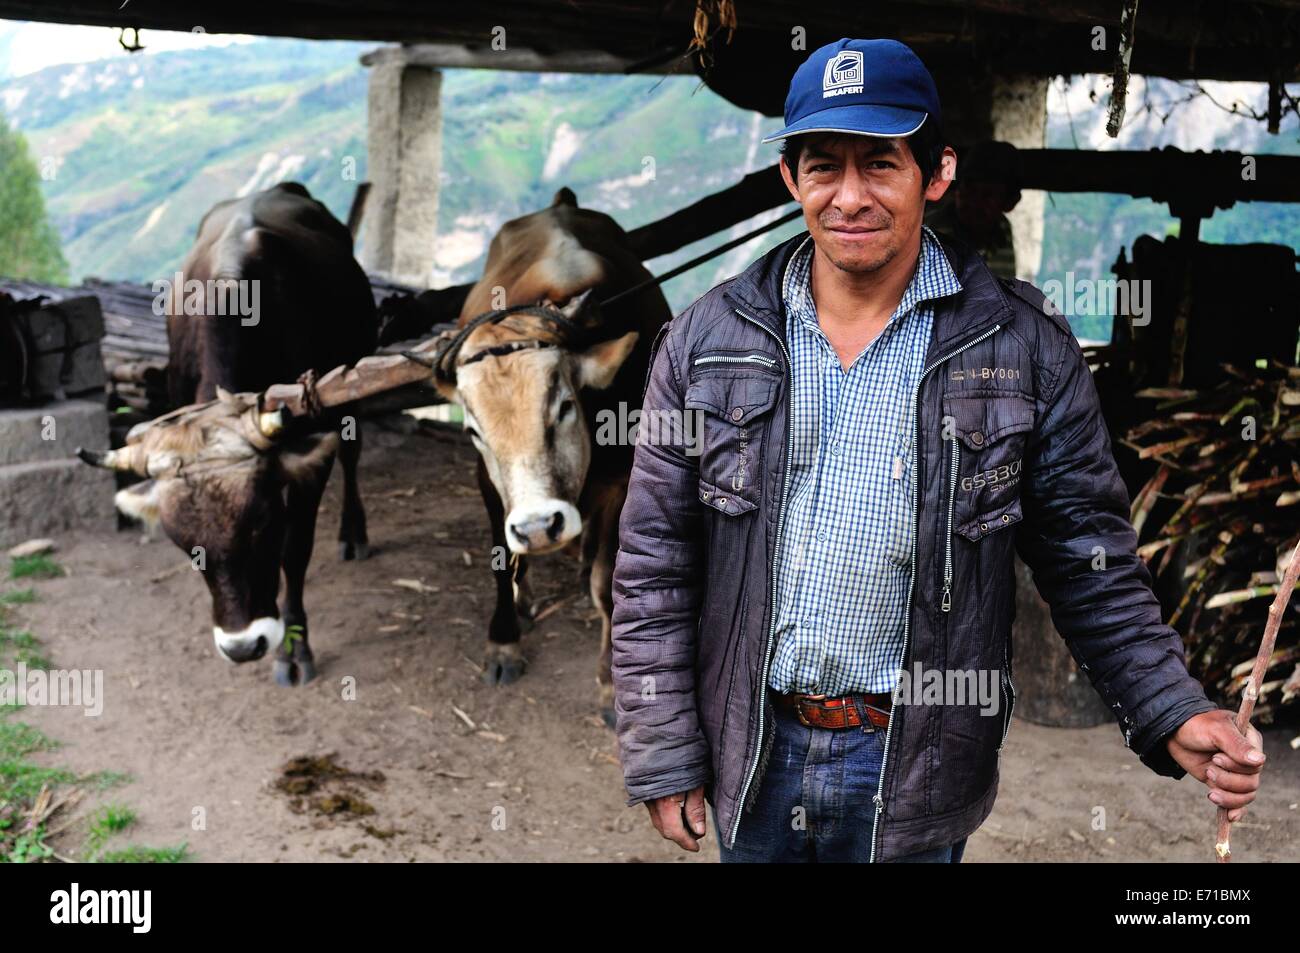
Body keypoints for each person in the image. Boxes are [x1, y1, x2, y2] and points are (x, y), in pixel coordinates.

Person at [609, 37, 1265, 863]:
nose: (849, 196)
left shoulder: (1023, 348)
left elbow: (1089, 562)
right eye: (822, 166)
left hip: (914, 756)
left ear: (938, 172)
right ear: (790, 178)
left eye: (881, 164)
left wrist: (1171, 707)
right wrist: (665, 746)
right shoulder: (706, 341)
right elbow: (655, 563)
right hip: (756, 748)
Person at [924, 140, 1021, 280]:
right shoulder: (932, 232)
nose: (974, 202)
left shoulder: (1002, 233)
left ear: (1009, 203)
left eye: (987, 195)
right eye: (969, 189)